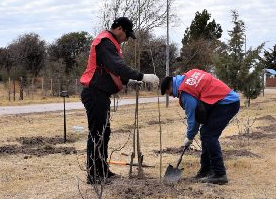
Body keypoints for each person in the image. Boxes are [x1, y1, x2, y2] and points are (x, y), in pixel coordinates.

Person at [79, 17, 159, 184]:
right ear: (120, 29)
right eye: (127, 35)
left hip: (101, 94)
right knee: (97, 134)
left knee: (104, 133)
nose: (127, 39)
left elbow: (110, 71)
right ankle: (94, 175)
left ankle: (102, 170)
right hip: (94, 94)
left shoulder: (110, 44)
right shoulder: (105, 42)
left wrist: (128, 81)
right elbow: (117, 66)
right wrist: (142, 76)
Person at [160, 69, 240, 185]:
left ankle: (220, 174)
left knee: (209, 135)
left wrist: (189, 137)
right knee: (206, 133)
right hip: (223, 101)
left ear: (170, 86)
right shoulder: (188, 76)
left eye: (170, 93)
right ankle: (205, 170)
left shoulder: (185, 93)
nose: (172, 96)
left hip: (227, 103)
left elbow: (193, 120)